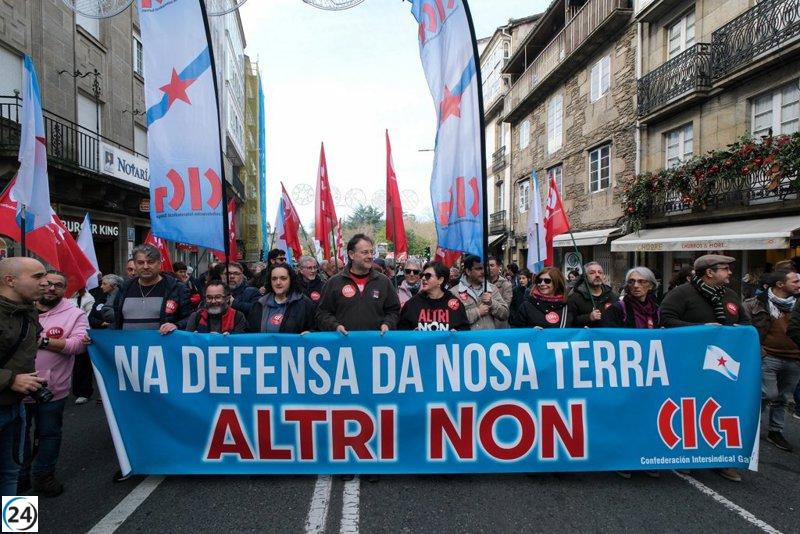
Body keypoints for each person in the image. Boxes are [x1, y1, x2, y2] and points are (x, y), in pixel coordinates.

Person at [660, 254, 748, 483]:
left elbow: (745, 322)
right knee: (689, 409)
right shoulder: (681, 294)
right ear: (709, 272)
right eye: (725, 268)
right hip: (689, 363)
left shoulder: (730, 295)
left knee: (723, 409)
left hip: (723, 367)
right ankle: (685, 456)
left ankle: (722, 458)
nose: (730, 272)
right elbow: (666, 319)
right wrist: (701, 329)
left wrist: (739, 332)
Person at [18, 270, 89, 496]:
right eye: (47, 283)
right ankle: (19, 478)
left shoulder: (74, 314)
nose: (51, 288)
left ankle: (44, 476)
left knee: (49, 434)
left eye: (58, 285)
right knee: (16, 437)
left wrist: (43, 341)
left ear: (65, 290)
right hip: (15, 389)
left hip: (52, 389)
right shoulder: (19, 308)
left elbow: (78, 345)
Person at [0, 257, 49, 497]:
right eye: (38, 277)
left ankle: (17, 520)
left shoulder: (30, 311)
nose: (46, 282)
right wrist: (11, 380)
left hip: (15, 406)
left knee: (13, 473)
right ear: (10, 280)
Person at [745, 271, 800, 452]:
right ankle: (751, 427)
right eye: (795, 281)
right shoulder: (755, 303)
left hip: (794, 359)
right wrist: (760, 353)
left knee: (782, 397)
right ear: (780, 284)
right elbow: (746, 329)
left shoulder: (797, 304)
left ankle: (776, 432)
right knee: (767, 393)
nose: (799, 284)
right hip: (768, 357)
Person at [316, 234, 400, 336]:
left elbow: (394, 311)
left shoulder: (384, 281)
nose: (370, 256)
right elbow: (322, 313)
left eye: (371, 252)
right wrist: (335, 326)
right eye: (365, 252)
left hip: (376, 343)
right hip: (344, 343)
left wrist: (388, 324)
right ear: (351, 255)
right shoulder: (333, 283)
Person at [111, 244, 191, 333]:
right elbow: (116, 320)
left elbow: (189, 319)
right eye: (140, 263)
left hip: (163, 341)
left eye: (150, 262)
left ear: (159, 264)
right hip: (128, 342)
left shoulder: (176, 289)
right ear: (135, 264)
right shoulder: (125, 288)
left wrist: (176, 325)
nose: (145, 266)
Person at [398, 262, 469, 331]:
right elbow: (401, 331)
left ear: (440, 280)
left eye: (428, 276)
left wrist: (457, 334)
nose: (423, 278)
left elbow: (464, 330)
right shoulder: (412, 304)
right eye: (422, 275)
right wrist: (412, 334)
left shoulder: (455, 304)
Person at [248, 264, 315, 333]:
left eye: (283, 278)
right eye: (274, 279)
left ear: (291, 280)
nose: (278, 283)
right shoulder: (260, 304)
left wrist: (310, 333)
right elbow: (251, 332)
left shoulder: (304, 304)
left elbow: (315, 329)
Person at [451, 255, 509, 330]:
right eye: (478, 269)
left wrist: (492, 303)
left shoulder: (492, 289)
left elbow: (505, 314)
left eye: (484, 268)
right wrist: (477, 312)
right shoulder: (454, 292)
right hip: (468, 337)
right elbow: (453, 319)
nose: (483, 272)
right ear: (468, 271)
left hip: (488, 336)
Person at [567, 262, 618, 328]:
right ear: (585, 277)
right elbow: (569, 322)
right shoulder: (575, 298)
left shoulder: (612, 296)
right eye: (592, 273)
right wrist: (588, 317)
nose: (597, 275)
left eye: (600, 272)